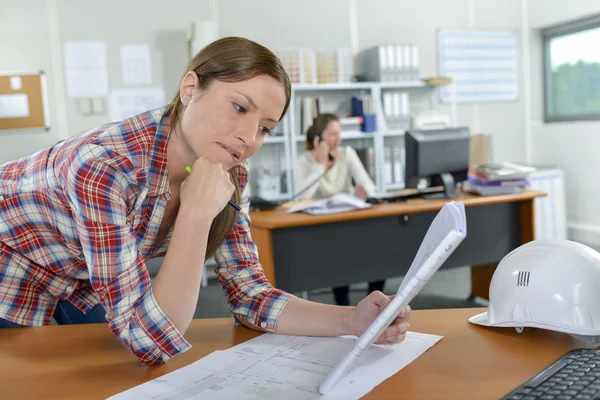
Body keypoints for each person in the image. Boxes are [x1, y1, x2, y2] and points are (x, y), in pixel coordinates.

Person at [0, 37, 410, 365]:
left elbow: (250, 294)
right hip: (12, 263)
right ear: (190, 88)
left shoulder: (228, 174)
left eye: (265, 127)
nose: (249, 138)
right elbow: (154, 341)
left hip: (81, 278)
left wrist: (353, 320)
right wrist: (195, 215)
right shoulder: (104, 167)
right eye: (238, 107)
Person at [297, 113, 386, 306]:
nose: (338, 139)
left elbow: (369, 185)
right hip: (321, 226)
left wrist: (363, 190)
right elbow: (303, 196)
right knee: (340, 255)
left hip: (348, 219)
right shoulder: (305, 161)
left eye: (340, 133)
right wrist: (321, 166)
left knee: (380, 249)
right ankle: (343, 304)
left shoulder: (347, 154)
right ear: (318, 138)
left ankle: (374, 300)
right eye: (332, 134)